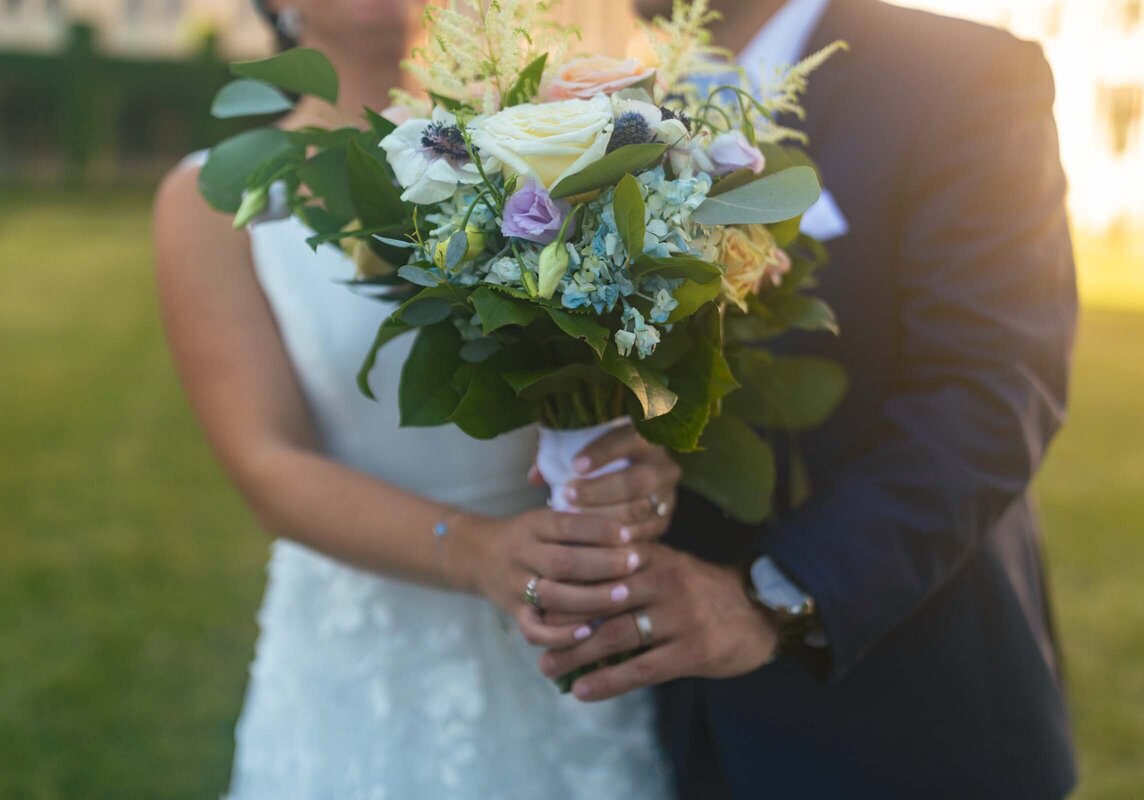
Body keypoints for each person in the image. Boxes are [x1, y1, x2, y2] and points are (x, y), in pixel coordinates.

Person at [531, 0, 1079, 797]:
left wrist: (774, 598)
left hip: (907, 720)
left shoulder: (962, 74)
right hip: (678, 724)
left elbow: (992, 395)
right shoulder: (612, 105)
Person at [153, 1, 679, 797]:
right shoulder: (215, 200)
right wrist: (477, 553)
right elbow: (266, 464)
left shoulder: (537, 145)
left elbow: (611, 361)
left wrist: (645, 458)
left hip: (567, 623)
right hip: (364, 659)